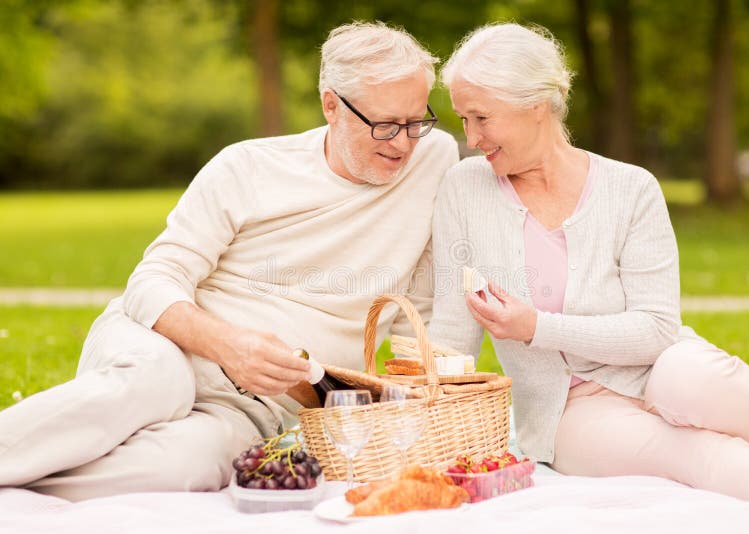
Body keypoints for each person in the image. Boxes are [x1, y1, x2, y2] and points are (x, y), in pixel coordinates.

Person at [0, 21, 458, 501]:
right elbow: (152, 279)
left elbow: (418, 306)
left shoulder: (432, 161)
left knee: (187, 466)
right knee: (159, 382)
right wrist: (228, 347)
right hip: (163, 348)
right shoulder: (247, 167)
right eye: (385, 125)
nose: (404, 143)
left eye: (415, 121)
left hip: (255, 409)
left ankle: (19, 485)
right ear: (331, 105)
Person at [428, 22, 749, 505]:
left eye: (481, 117)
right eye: (463, 120)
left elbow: (657, 330)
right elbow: (453, 335)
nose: (471, 137)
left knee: (701, 379)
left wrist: (537, 327)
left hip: (658, 363)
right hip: (571, 411)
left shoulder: (632, 188)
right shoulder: (464, 188)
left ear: (536, 105)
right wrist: (408, 399)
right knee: (700, 454)